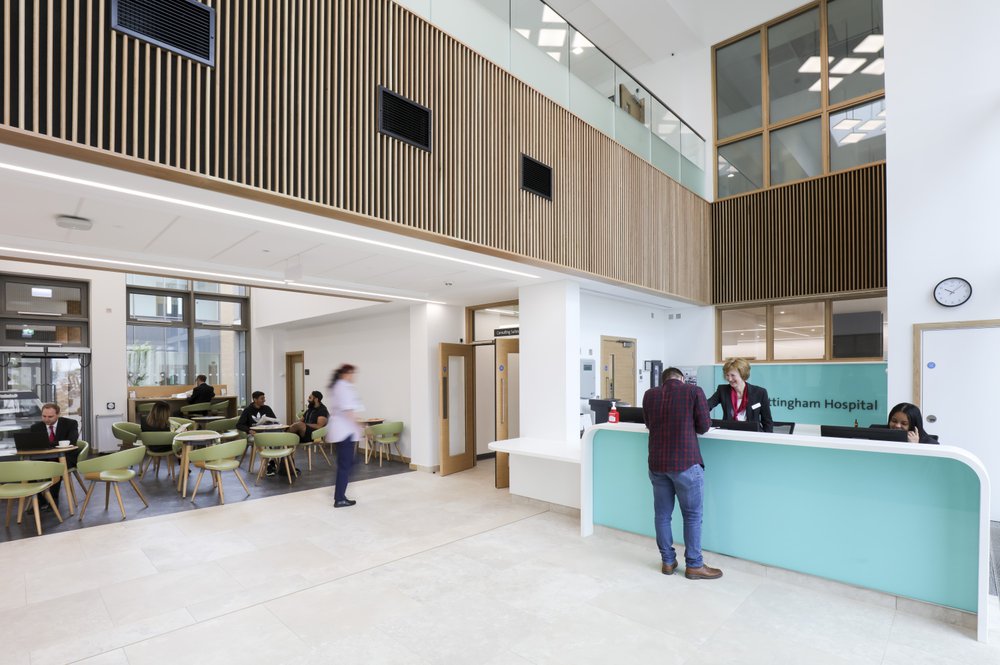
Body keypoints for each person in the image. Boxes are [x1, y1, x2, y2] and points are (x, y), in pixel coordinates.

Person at [642, 367, 722, 580]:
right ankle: (694, 565)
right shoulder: (693, 392)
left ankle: (668, 561)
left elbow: (649, 424)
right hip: (686, 463)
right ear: (682, 378)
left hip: (657, 464)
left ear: (663, 380)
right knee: (692, 516)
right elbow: (704, 426)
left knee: (662, 515)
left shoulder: (650, 394)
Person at [326, 364, 364, 508]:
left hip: (342, 431)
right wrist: (359, 426)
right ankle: (339, 498)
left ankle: (339, 493)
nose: (353, 377)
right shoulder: (343, 387)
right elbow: (349, 411)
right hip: (344, 432)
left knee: (348, 464)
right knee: (346, 466)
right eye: (352, 374)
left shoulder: (339, 386)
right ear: (346, 373)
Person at [29, 403, 80, 507]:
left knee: (55, 466)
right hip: (44, 458)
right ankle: (40, 499)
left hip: (66, 457)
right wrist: (57, 443)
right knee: (28, 468)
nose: (46, 419)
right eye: (44, 416)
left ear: (58, 414)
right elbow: (34, 445)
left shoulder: (70, 423)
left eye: (50, 416)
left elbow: (72, 441)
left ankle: (54, 500)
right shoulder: (36, 427)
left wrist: (46, 443)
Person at [705, 357, 773, 432]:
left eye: (733, 375)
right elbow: (706, 406)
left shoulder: (760, 392)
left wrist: (768, 439)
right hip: (729, 433)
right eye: (727, 375)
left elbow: (767, 421)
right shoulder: (722, 390)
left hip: (753, 434)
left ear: (743, 374)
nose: (729, 379)